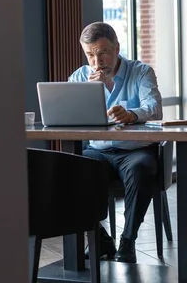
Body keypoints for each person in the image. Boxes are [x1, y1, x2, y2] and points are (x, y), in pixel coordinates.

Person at [69, 22, 162, 263]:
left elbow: (154, 107)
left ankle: (128, 242)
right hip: (98, 150)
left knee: (141, 169)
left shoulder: (140, 71)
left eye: (102, 53)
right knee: (69, 169)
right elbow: (67, 117)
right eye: (90, 54)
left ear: (116, 48)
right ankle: (101, 239)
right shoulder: (80, 77)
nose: (97, 62)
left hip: (136, 150)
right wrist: (85, 97)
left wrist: (132, 115)